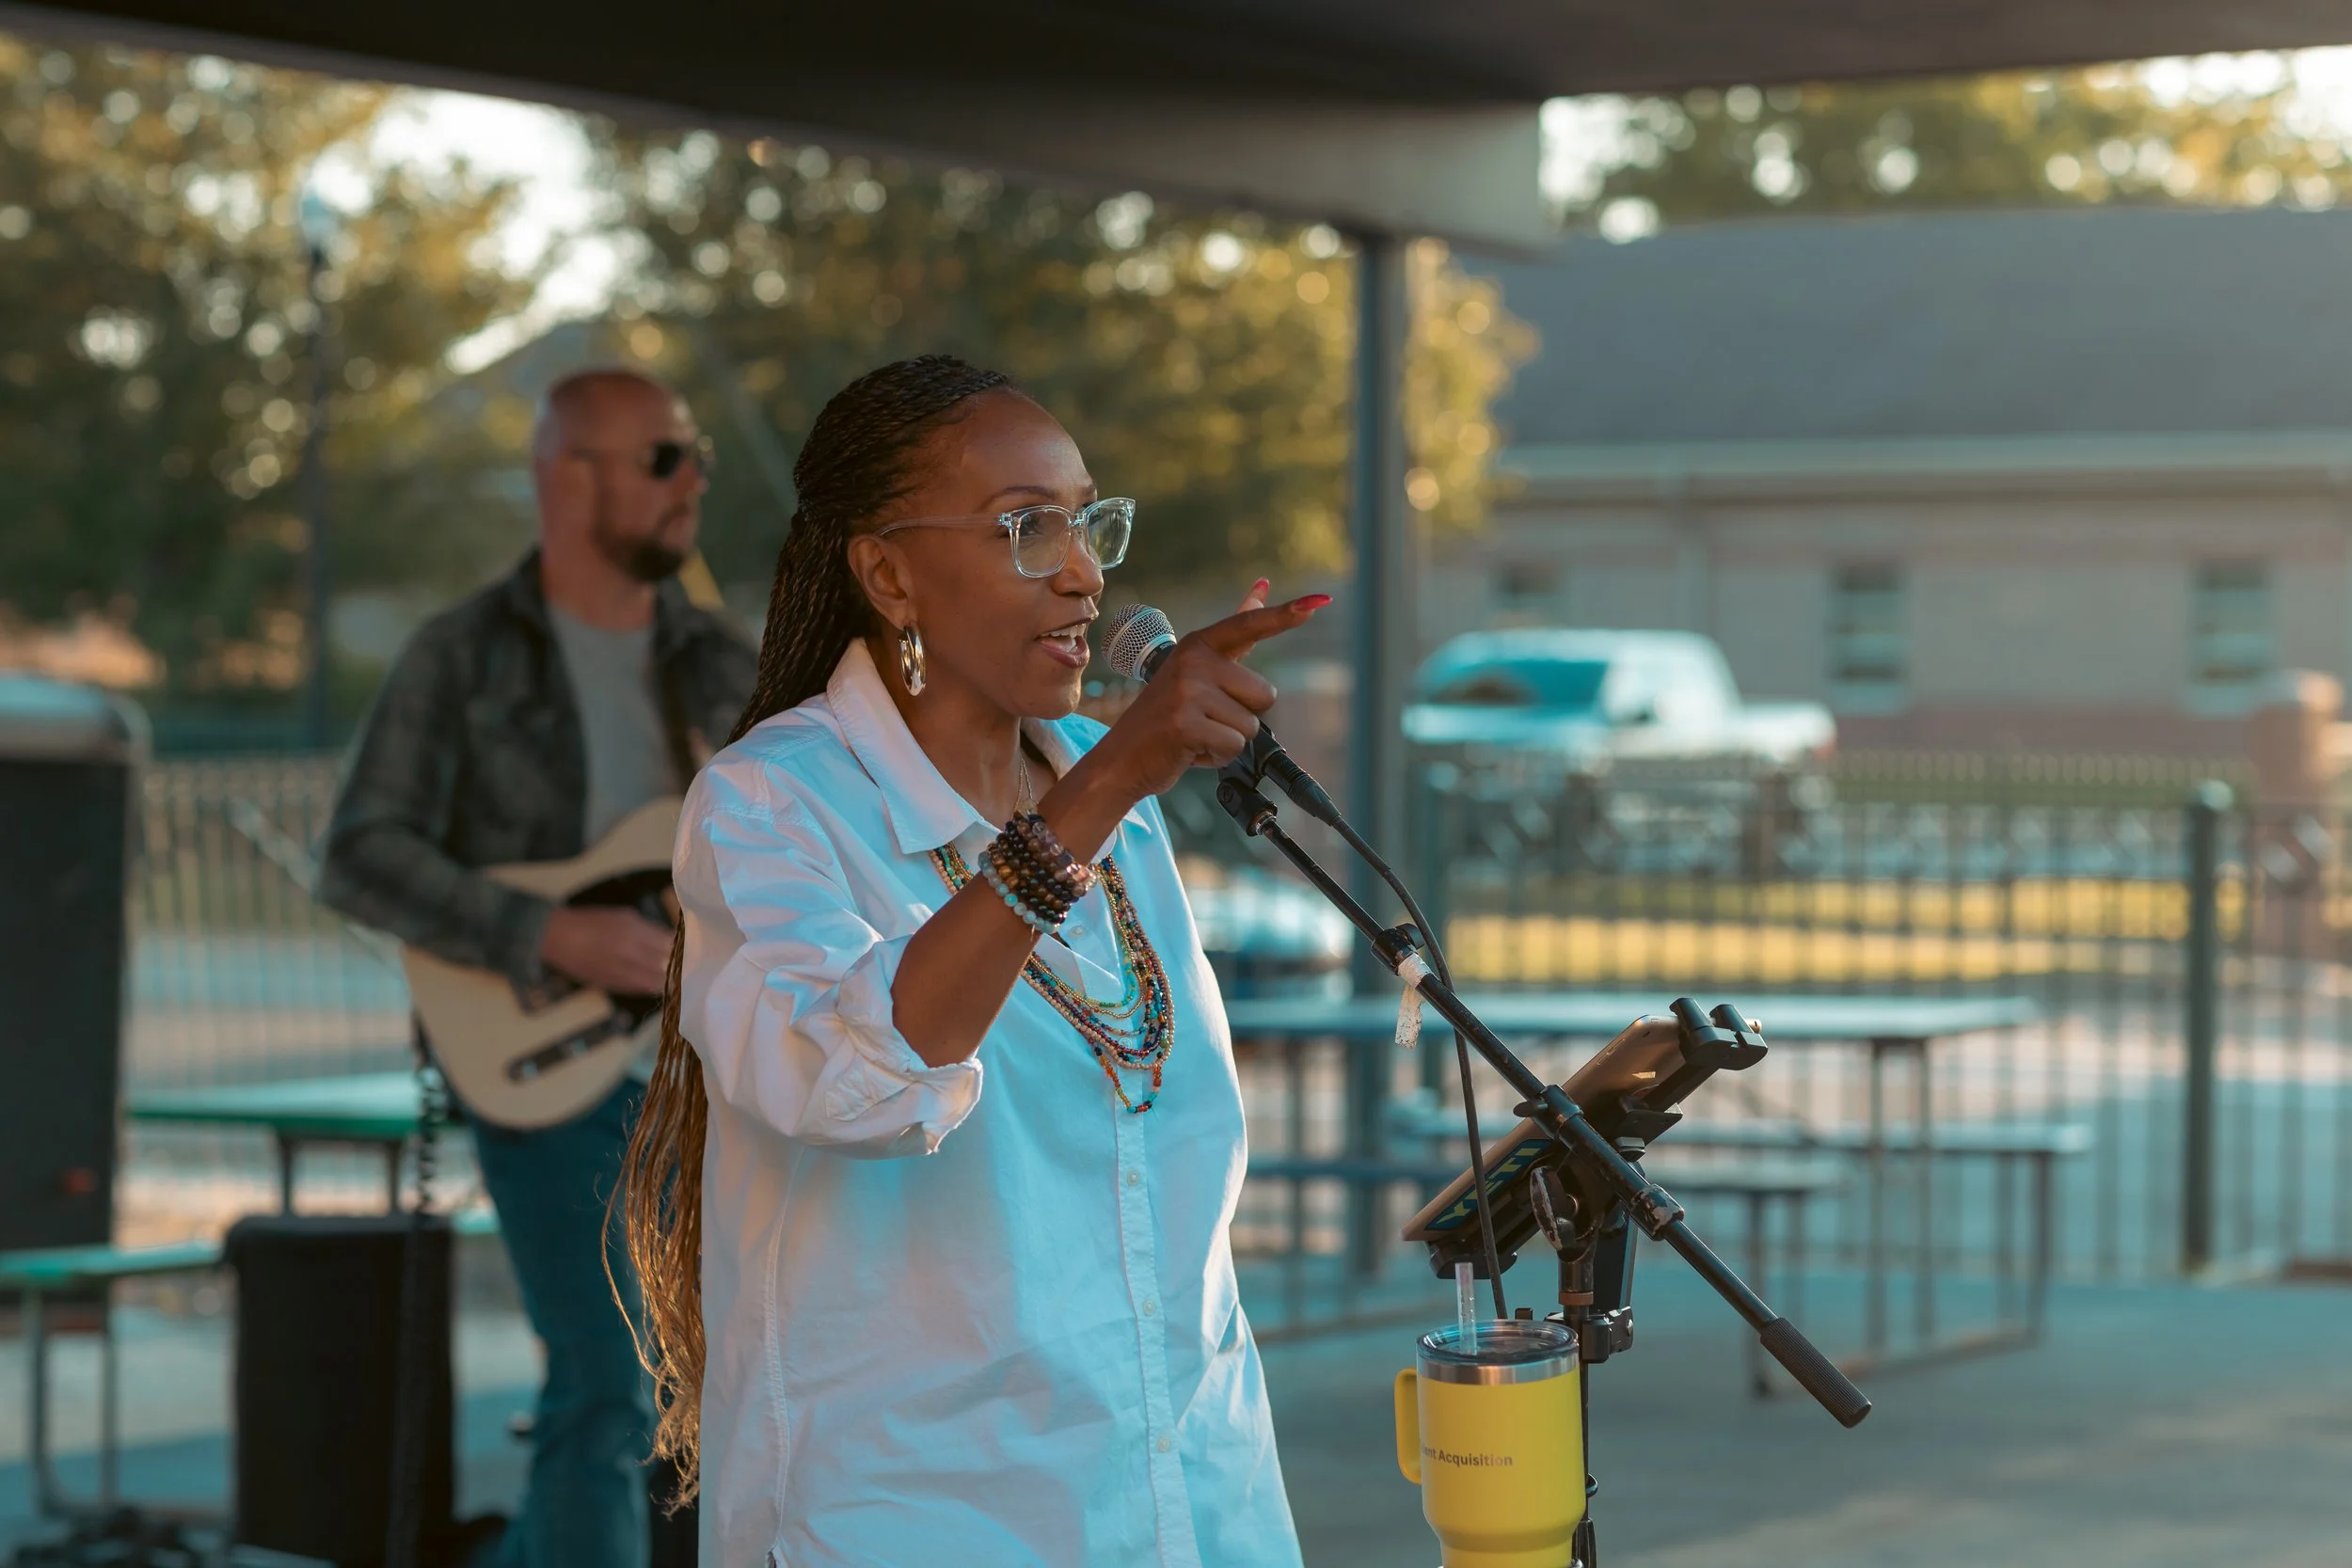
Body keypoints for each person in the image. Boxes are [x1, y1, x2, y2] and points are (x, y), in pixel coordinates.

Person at [621, 354, 1328, 1566]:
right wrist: (1112, 777)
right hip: (920, 1518)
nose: (1082, 569)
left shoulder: (1117, 811)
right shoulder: (775, 804)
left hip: (1188, 1509)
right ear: (888, 574)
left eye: (1088, 522)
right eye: (1025, 527)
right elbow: (864, 1082)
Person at [319, 367, 756, 1568]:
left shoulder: (723, 662)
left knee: (726, 1382)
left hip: (709, 1065)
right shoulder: (459, 654)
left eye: (696, 454)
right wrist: (548, 931)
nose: (693, 479)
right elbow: (358, 853)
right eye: (664, 457)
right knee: (610, 1380)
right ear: (567, 478)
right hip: (547, 1062)